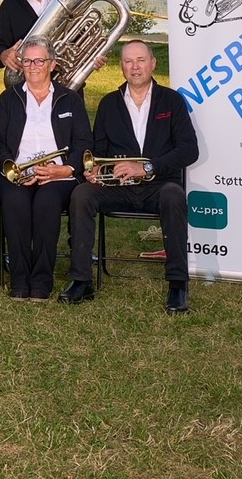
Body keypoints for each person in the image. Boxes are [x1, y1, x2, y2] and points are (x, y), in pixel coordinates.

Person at [58, 40, 200, 313]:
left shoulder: (172, 100)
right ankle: (81, 280)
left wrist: (147, 167)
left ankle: (178, 284)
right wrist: (96, 171)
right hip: (119, 188)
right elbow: (99, 151)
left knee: (174, 196)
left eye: (141, 60)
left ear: (153, 64)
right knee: (81, 194)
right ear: (121, 67)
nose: (135, 67)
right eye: (128, 61)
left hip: (159, 184)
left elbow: (189, 150)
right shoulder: (109, 103)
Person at [0, 36, 90, 301]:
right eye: (27, 61)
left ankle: (41, 280)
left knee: (47, 201)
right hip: (15, 174)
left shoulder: (70, 99)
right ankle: (19, 279)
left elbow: (83, 143)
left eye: (39, 61)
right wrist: (12, 169)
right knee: (15, 200)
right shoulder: (8, 99)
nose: (32, 67)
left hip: (59, 176)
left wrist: (67, 170)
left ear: (52, 64)